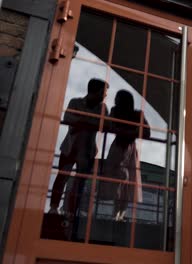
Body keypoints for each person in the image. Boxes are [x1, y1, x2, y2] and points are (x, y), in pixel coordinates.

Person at [49, 78, 108, 217]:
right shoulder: (75, 102)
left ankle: (71, 211)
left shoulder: (102, 108)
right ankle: (53, 208)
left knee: (80, 182)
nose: (105, 95)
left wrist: (82, 120)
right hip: (70, 147)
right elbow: (68, 118)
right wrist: (91, 122)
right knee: (62, 177)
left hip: (87, 150)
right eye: (103, 92)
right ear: (95, 92)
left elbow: (105, 126)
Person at [99, 89, 149, 221]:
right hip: (123, 146)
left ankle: (119, 213)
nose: (115, 100)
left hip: (126, 147)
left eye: (117, 98)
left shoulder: (134, 114)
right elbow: (107, 125)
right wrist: (131, 131)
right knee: (122, 177)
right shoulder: (126, 112)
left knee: (125, 178)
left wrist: (126, 131)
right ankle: (118, 213)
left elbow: (147, 132)